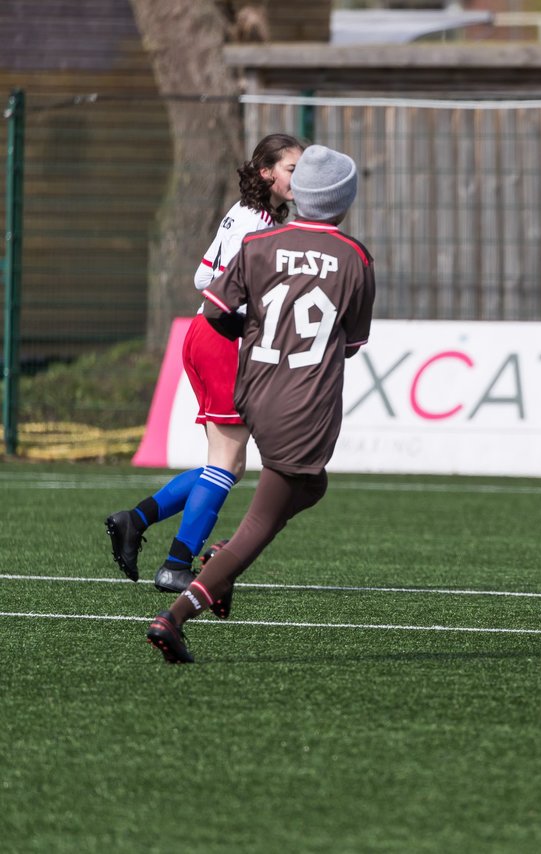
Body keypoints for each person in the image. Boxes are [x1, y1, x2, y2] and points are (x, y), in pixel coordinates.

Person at [145, 144, 375, 664]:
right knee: (262, 521)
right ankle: (179, 613)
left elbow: (217, 308)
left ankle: (221, 560)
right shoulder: (355, 258)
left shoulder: (262, 241)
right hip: (303, 402)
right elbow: (351, 343)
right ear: (344, 200)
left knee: (310, 487)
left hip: (254, 386)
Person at [105, 133, 305, 593]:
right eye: (293, 169)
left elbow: (202, 274)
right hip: (223, 339)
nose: (300, 178)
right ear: (266, 172)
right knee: (228, 462)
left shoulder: (248, 213)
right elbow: (214, 283)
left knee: (228, 466)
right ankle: (176, 564)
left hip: (205, 336)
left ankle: (134, 520)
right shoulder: (258, 224)